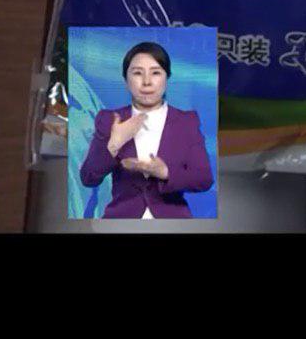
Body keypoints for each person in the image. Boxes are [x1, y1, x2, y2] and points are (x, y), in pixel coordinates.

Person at [79, 41, 214, 218]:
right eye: (137, 73)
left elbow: (204, 179)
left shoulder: (186, 122)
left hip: (173, 222)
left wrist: (165, 173)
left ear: (167, 78)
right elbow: (88, 178)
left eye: (156, 73)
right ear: (126, 80)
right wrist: (114, 144)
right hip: (122, 221)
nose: (147, 82)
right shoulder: (110, 119)